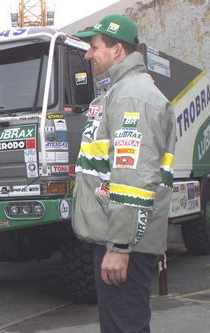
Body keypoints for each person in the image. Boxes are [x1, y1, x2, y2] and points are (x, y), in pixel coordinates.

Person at [72, 14, 176, 332]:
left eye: (94, 47)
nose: (88, 55)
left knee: (124, 326)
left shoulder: (132, 96)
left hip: (122, 243)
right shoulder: (119, 92)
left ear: (117, 50)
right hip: (116, 237)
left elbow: (132, 177)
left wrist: (119, 247)